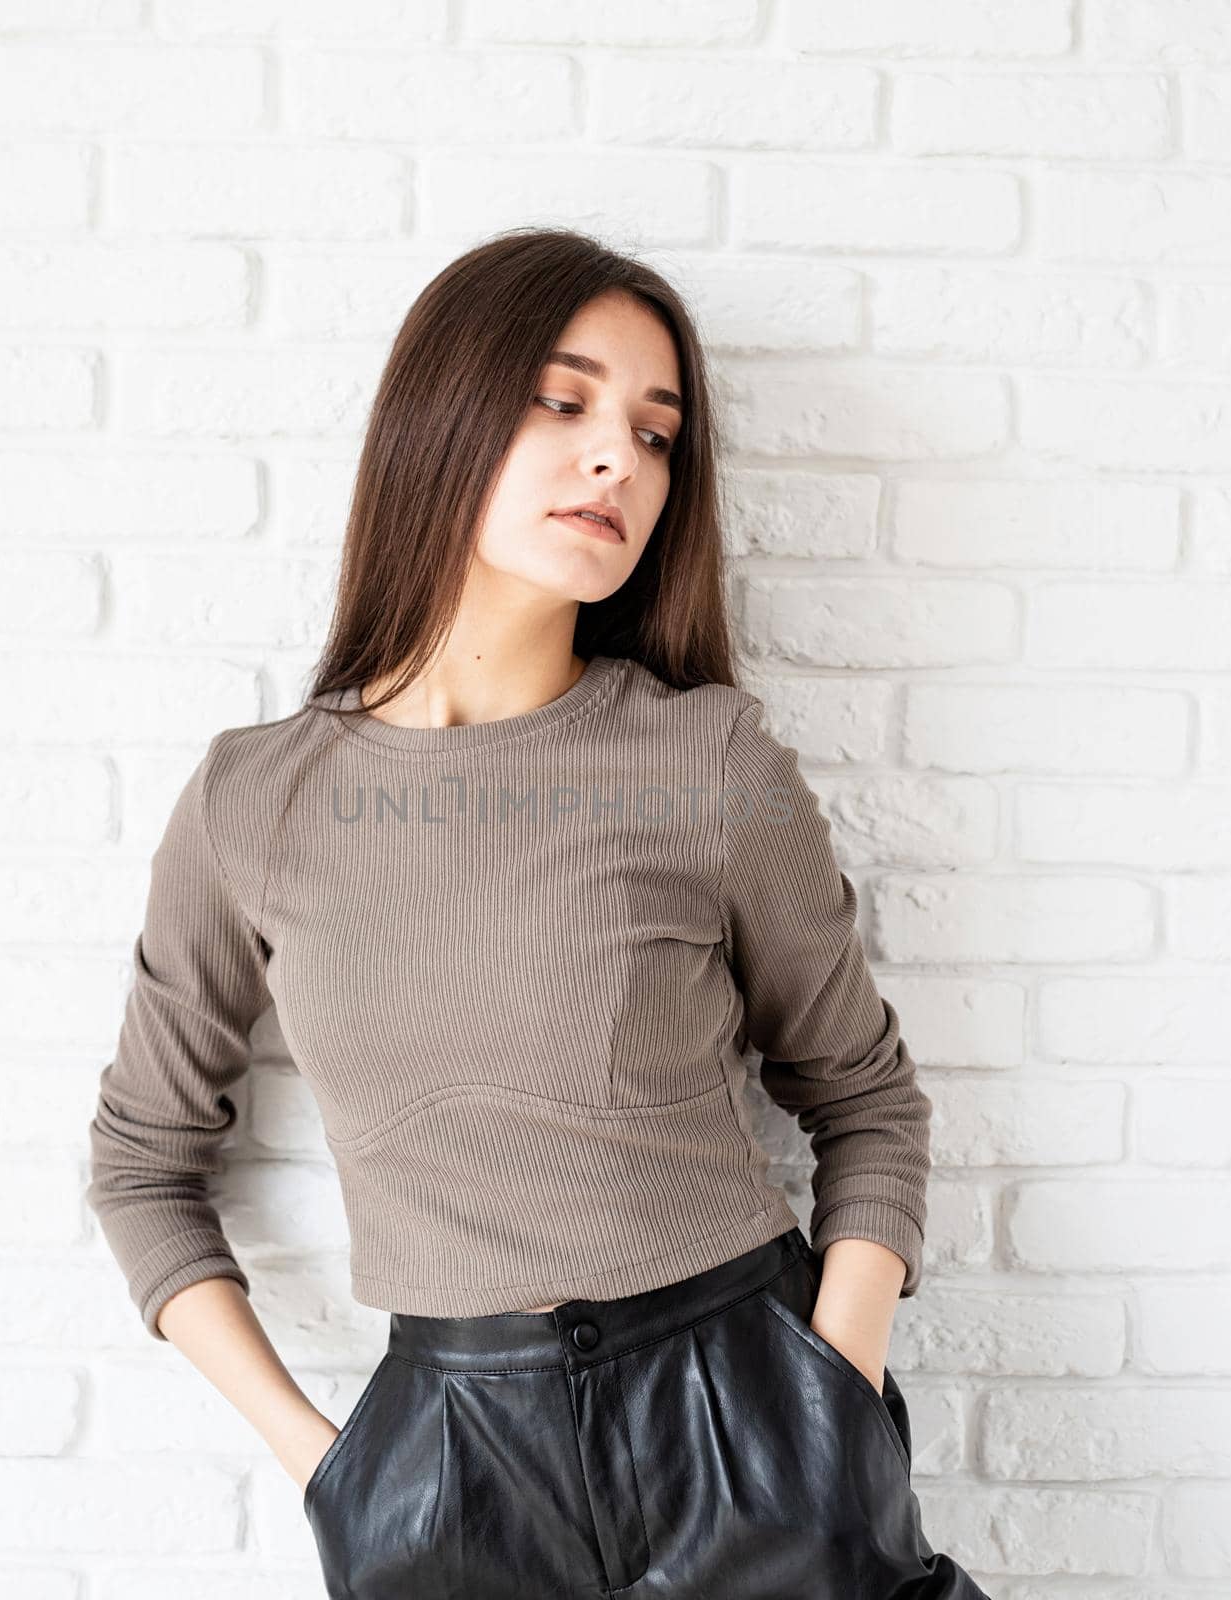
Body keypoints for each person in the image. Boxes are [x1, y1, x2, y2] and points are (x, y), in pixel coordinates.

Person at [86, 225, 991, 1598]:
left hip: (743, 1410)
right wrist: (333, 1468)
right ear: (437, 416)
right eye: (562, 403)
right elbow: (142, 1165)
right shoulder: (253, 802)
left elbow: (863, 1099)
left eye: (655, 429)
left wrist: (828, 1392)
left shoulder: (709, 761)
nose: (618, 456)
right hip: (444, 1471)